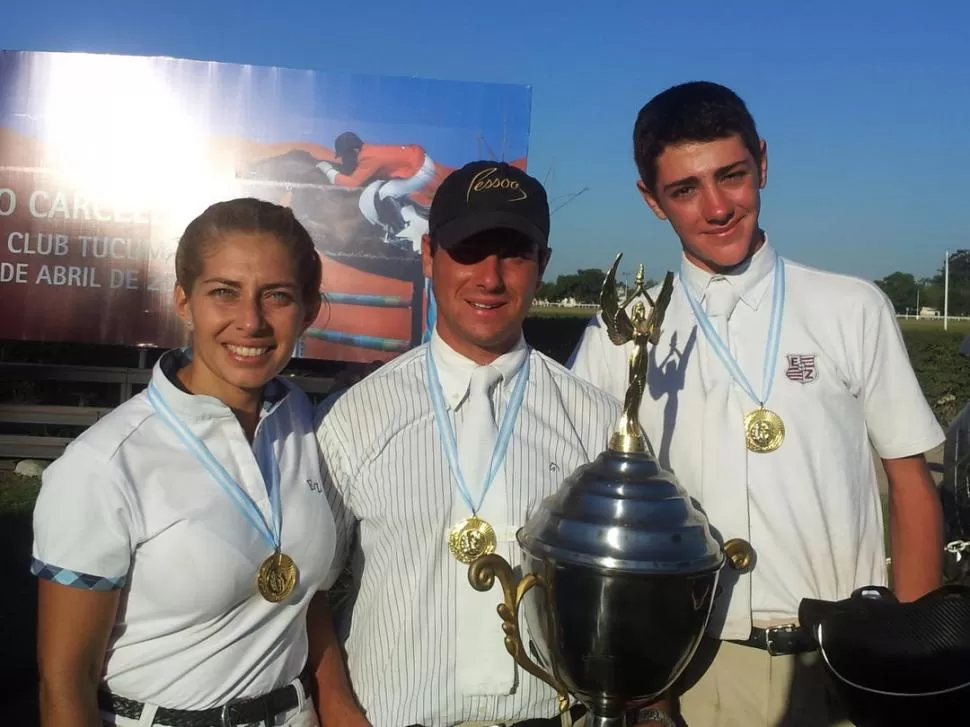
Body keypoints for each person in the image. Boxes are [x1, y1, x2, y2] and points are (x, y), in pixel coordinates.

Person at [568, 81, 946, 727]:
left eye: (732, 176)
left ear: (763, 162)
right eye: (685, 189)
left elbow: (909, 483)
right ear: (651, 200)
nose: (716, 207)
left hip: (842, 663)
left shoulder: (851, 307)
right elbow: (592, 522)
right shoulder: (620, 332)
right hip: (690, 670)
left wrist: (913, 659)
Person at [314, 161, 674, 727]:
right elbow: (312, 591)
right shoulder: (352, 418)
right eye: (469, 250)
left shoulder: (599, 421)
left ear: (542, 264)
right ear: (429, 254)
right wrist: (337, 711)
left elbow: (636, 598)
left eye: (513, 252)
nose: (490, 277)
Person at [31, 198, 366, 727]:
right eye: (224, 293)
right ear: (183, 301)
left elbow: (303, 595)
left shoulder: (301, 421)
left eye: (276, 296)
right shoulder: (104, 465)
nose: (251, 321)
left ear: (308, 308)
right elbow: (64, 684)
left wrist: (341, 707)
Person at [315, 131, 449, 243]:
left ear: (354, 150)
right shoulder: (366, 152)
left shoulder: (368, 158)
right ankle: (417, 214)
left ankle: (401, 233)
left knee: (385, 192)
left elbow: (352, 184)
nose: (344, 159)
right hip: (418, 163)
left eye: (345, 155)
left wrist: (328, 171)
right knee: (386, 189)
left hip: (420, 169)